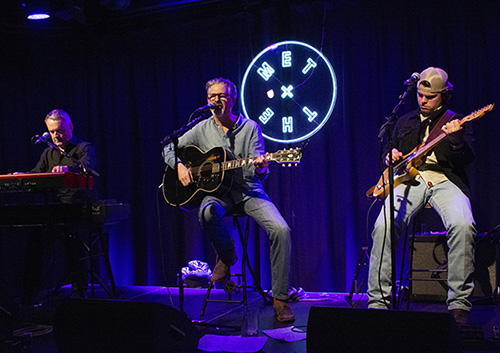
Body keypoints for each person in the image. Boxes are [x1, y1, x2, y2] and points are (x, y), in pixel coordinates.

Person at [163, 78, 294, 322]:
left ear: (232, 99)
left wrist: (263, 166)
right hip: (217, 194)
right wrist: (179, 166)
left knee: (281, 230)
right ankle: (227, 255)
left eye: (221, 96)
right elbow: (168, 148)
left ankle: (280, 299)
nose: (216, 100)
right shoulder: (200, 128)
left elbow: (258, 170)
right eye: (212, 96)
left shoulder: (251, 127)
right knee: (206, 212)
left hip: (248, 190)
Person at [367, 67, 476, 325]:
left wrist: (457, 140)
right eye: (420, 95)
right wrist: (390, 156)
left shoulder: (457, 121)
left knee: (463, 225)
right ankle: (378, 301)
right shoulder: (405, 121)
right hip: (411, 179)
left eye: (430, 97)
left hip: (445, 179)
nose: (423, 100)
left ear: (444, 96)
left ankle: (459, 303)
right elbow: (391, 148)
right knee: (383, 225)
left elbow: (467, 157)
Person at [23, 109, 97, 302]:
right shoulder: (48, 153)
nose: (56, 135)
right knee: (35, 238)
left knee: (74, 240)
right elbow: (36, 173)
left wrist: (69, 168)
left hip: (79, 208)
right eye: (53, 131)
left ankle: (79, 293)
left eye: (60, 130)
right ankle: (32, 296)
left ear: (70, 127)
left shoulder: (83, 148)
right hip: (56, 210)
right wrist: (20, 176)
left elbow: (88, 168)